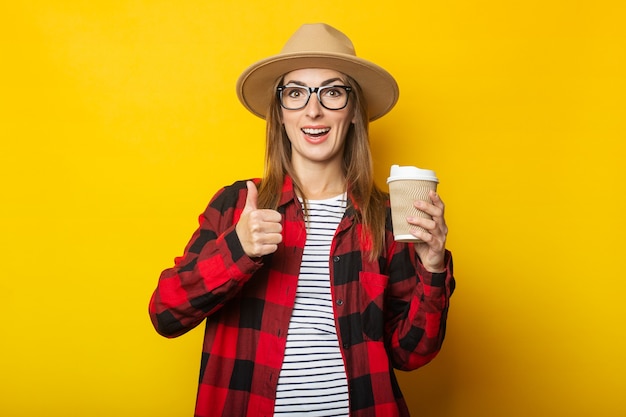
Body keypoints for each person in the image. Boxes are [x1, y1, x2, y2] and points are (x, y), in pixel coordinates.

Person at [149, 23, 455, 417]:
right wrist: (238, 249)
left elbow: (410, 354)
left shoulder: (386, 220)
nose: (313, 109)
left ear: (355, 113)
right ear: (279, 114)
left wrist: (432, 268)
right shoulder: (237, 205)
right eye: (295, 93)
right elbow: (165, 313)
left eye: (332, 92)